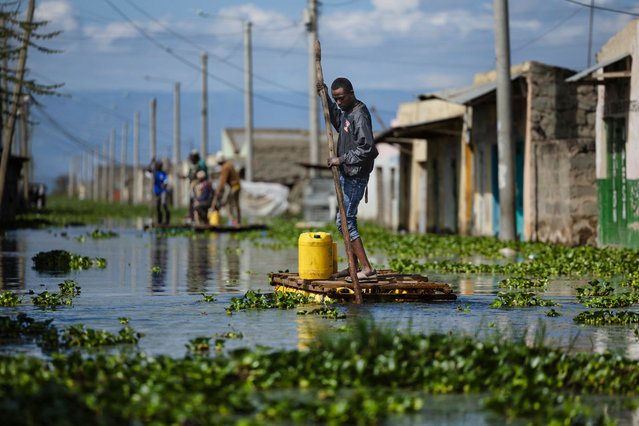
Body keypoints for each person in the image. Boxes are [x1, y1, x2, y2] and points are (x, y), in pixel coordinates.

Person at [318, 77, 379, 282]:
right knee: (345, 220)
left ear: (351, 93)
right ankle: (352, 266)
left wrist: (341, 159)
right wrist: (324, 96)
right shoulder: (346, 112)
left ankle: (367, 269)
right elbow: (336, 120)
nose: (338, 103)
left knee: (345, 221)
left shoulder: (359, 115)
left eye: (341, 98)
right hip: (346, 174)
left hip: (355, 176)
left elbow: (368, 149)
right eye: (335, 99)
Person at [211, 151, 241, 226]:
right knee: (235, 204)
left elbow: (222, 181)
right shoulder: (229, 164)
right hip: (236, 186)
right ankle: (237, 221)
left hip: (234, 187)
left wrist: (218, 191)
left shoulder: (225, 167)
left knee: (228, 203)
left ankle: (233, 221)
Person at [185, 150, 208, 221]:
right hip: (193, 185)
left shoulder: (200, 165)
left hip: (198, 185)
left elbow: (203, 175)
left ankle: (198, 218)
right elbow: (189, 175)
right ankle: (192, 216)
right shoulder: (192, 166)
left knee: (196, 200)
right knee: (192, 200)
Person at [147, 158, 170, 225]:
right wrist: (151, 163)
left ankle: (167, 217)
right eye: (158, 165)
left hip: (163, 191)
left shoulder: (163, 173)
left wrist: (164, 184)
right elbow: (148, 170)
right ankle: (159, 220)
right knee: (158, 206)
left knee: (163, 203)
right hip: (157, 191)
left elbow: (166, 182)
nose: (159, 166)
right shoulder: (154, 172)